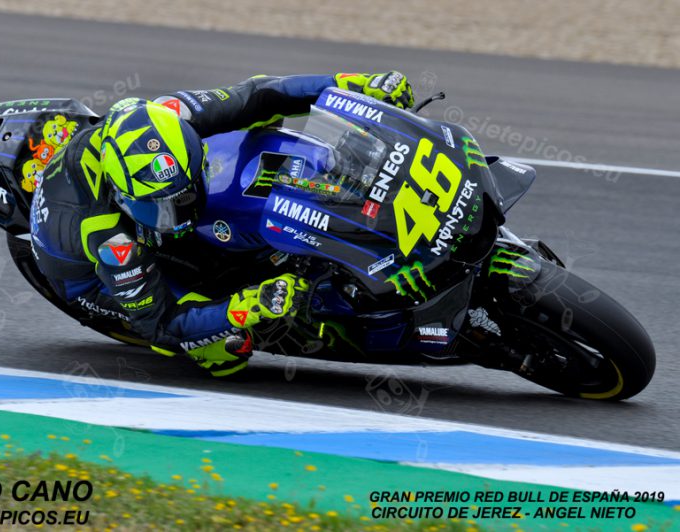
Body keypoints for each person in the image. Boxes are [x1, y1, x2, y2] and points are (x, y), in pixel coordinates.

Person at [30, 72, 414, 376]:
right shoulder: (109, 238)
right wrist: (242, 308)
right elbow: (158, 324)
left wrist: (348, 84)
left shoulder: (169, 116)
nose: (180, 213)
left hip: (127, 205)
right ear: (122, 197)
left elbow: (261, 95)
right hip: (92, 281)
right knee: (226, 351)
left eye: (183, 197)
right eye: (163, 208)